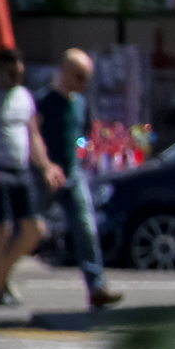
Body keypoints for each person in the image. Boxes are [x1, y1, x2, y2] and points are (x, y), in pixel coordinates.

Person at [0, 48, 64, 307]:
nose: (14, 76)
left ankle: (1, 276)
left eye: (17, 70)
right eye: (8, 71)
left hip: (21, 170)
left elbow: (33, 135)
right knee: (4, 230)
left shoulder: (24, 97)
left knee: (34, 229)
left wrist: (45, 166)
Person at [36, 48, 122, 310]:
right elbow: (31, 136)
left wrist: (88, 153)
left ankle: (96, 288)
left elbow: (82, 134)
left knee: (86, 229)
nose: (83, 83)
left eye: (87, 78)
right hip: (45, 175)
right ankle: (1, 278)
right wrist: (44, 165)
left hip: (73, 175)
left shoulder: (80, 103)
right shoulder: (43, 102)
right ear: (64, 72)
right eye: (78, 76)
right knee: (28, 230)